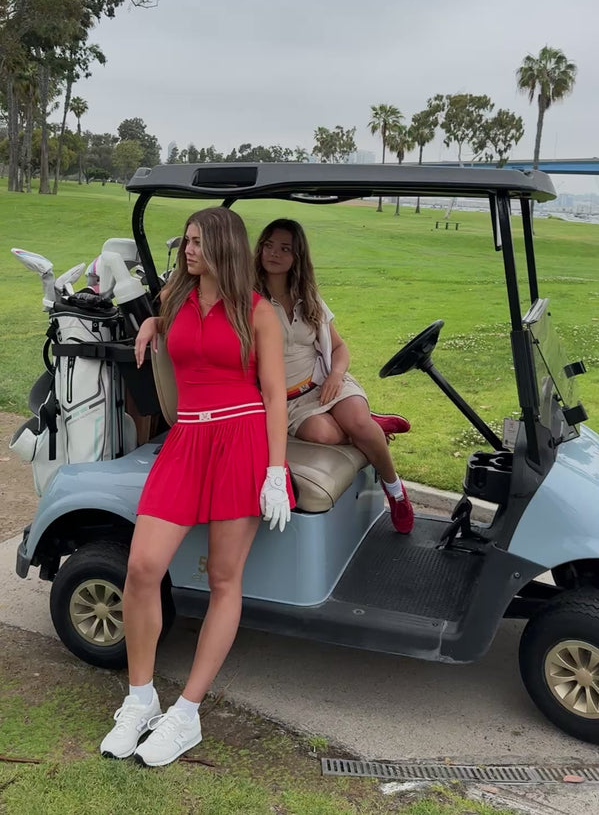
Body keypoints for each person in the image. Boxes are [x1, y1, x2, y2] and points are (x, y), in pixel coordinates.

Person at [100, 207, 294, 768]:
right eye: (185, 242)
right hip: (186, 443)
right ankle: (140, 700)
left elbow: (276, 395)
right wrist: (150, 323)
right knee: (142, 567)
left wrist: (276, 473)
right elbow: (170, 327)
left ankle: (186, 713)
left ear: (225, 248)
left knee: (224, 578)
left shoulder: (258, 313)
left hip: (241, 442)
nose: (188, 251)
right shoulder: (173, 299)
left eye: (197, 243)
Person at [254, 218, 414, 535]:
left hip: (326, 382)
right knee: (327, 434)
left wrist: (336, 376)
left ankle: (396, 492)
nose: (274, 253)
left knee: (356, 423)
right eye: (269, 245)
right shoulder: (249, 300)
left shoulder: (308, 298)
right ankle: (373, 426)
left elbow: (339, 348)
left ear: (296, 257)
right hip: (289, 401)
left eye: (284, 248)